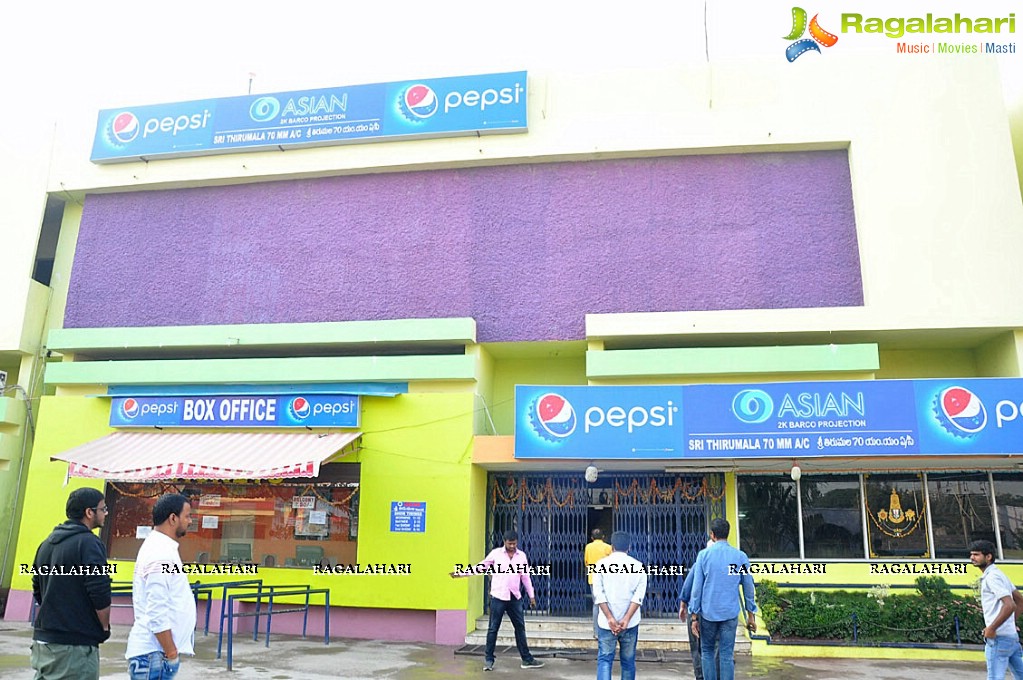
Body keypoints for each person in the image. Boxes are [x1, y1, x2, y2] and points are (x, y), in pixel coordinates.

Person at [30, 488, 113, 680]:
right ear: (89, 512)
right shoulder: (89, 543)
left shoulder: (46, 544)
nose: (106, 513)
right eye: (103, 508)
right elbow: (99, 592)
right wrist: (104, 627)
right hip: (74, 648)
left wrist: (56, 612)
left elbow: (37, 588)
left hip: (44, 643)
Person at [450, 530, 544, 671]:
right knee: (493, 629)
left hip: (514, 598)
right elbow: (481, 567)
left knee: (520, 628)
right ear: (504, 541)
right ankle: (488, 660)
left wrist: (531, 596)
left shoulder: (522, 556)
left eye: (514, 543)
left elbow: (525, 577)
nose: (512, 546)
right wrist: (462, 573)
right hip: (498, 597)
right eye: (509, 543)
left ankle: (526, 659)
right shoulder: (496, 554)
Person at [125, 494, 196, 680]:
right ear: (173, 518)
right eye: (187, 516)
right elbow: (156, 609)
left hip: (154, 654)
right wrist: (171, 652)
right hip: (154, 655)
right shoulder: (160, 553)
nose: (190, 521)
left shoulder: (161, 548)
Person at [689, 519, 756, 680]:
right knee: (726, 654)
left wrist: (694, 617)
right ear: (728, 534)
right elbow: (748, 587)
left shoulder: (703, 556)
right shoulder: (740, 557)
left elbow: (697, 589)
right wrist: (751, 615)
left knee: (707, 652)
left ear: (712, 535)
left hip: (708, 614)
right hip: (730, 613)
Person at [592, 531, 647, 680]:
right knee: (628, 662)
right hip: (630, 624)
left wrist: (610, 618)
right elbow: (638, 596)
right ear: (629, 547)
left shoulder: (600, 565)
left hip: (606, 624)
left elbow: (598, 594)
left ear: (612, 547)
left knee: (605, 660)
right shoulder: (638, 566)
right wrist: (627, 619)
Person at [969, 539, 1023, 680]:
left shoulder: (992, 577)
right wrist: (1011, 623)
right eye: (971, 554)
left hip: (998, 638)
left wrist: (992, 628)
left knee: (994, 677)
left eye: (976, 554)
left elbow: (1010, 604)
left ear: (989, 557)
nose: (972, 558)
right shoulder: (1000, 574)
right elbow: (1020, 600)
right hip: (1011, 637)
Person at [679, 540, 719, 680]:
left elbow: (689, 587)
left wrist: (683, 605)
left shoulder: (700, 563)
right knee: (714, 647)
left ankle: (701, 676)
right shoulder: (723, 565)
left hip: (698, 612)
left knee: (697, 647)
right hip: (716, 612)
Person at [585, 528, 613, 638]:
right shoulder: (608, 547)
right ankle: (609, 629)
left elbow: (586, 562)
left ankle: (596, 633)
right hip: (607, 578)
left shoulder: (588, 547)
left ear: (592, 538)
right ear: (603, 537)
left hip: (593, 578)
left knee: (596, 605)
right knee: (609, 603)